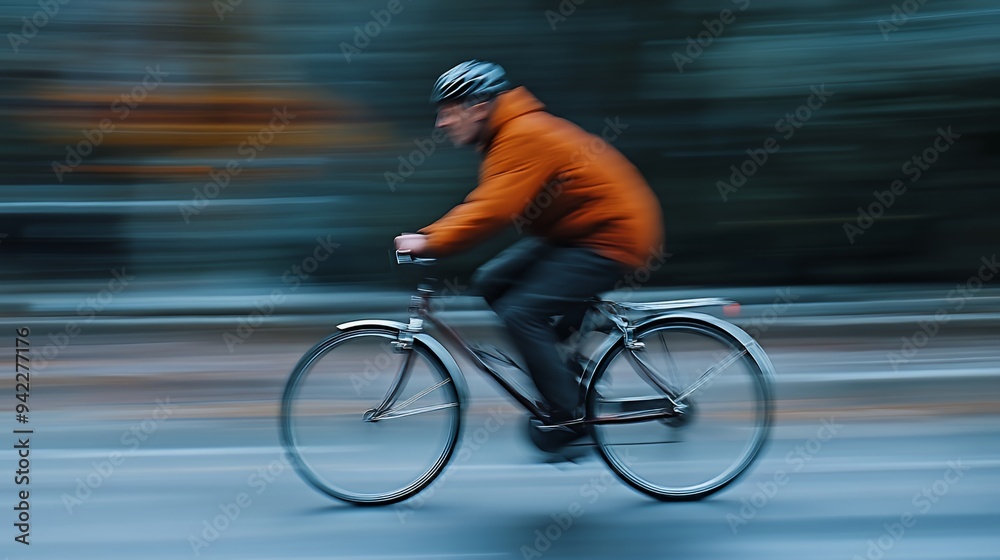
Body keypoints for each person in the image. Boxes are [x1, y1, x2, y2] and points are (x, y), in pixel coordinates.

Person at [394, 60, 664, 455]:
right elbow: (491, 203)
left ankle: (567, 416)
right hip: (578, 233)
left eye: (448, 110)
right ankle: (562, 371)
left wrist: (430, 241)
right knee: (492, 280)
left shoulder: (523, 134)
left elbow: (492, 210)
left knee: (521, 313)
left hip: (610, 237)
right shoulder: (508, 135)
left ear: (478, 107)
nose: (441, 122)